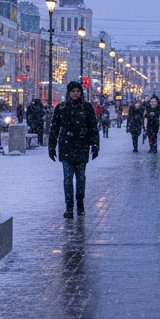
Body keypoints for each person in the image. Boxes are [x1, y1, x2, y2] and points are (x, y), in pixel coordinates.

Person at [48, 80, 99, 219]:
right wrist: (51, 146)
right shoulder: (62, 108)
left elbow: (93, 127)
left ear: (80, 93)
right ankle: (69, 207)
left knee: (81, 178)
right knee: (68, 179)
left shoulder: (87, 108)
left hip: (82, 147)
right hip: (66, 147)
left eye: (77, 91)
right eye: (73, 91)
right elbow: (54, 129)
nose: (75, 94)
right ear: (69, 93)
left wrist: (95, 145)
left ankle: (80, 204)